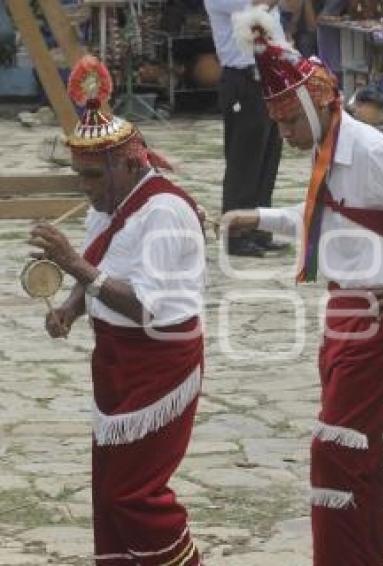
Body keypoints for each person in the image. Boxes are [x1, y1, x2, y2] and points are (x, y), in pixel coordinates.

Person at [222, 7, 383, 565]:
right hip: (344, 310)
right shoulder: (328, 150)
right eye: (280, 124)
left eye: (290, 122)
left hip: (380, 317)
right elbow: (324, 217)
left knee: (333, 450)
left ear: (317, 106)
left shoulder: (374, 151)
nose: (284, 134)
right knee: (357, 451)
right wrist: (257, 217)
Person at [28, 55, 205, 565]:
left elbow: (148, 307)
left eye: (89, 176)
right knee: (109, 496)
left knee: (136, 497)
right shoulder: (109, 203)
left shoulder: (166, 212)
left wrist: (71, 265)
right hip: (116, 364)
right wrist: (70, 309)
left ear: (128, 163)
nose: (84, 188)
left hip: (158, 365)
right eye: (79, 176)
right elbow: (98, 264)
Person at [205, 0, 284, 256]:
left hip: (269, 72)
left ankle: (260, 229)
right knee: (244, 161)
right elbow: (256, 5)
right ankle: (237, 234)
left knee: (267, 160)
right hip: (243, 78)